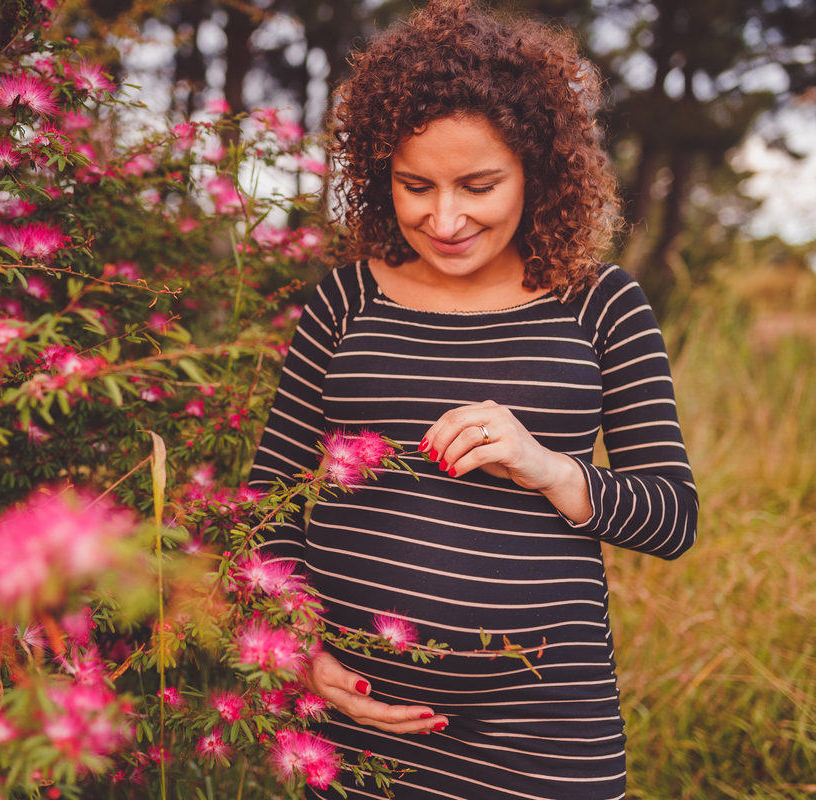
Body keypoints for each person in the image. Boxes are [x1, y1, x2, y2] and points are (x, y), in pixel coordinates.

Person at [246, 1, 699, 798]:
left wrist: (551, 469)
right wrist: (300, 652)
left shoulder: (602, 306)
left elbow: (672, 517)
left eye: (479, 185)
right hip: (359, 727)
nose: (444, 218)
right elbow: (269, 502)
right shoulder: (345, 301)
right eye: (415, 185)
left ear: (537, 170)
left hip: (546, 735)